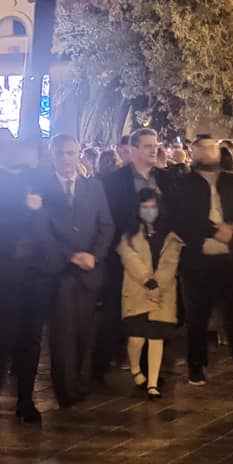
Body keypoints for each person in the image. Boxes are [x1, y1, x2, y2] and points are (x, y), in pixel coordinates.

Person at [0, 140, 62, 423]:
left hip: (37, 268)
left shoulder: (41, 178)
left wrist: (40, 207)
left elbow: (59, 211)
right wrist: (26, 209)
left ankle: (26, 398)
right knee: (5, 334)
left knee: (32, 336)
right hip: (5, 267)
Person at [174, 136, 233, 387]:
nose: (207, 153)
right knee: (198, 315)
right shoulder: (185, 184)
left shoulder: (231, 181)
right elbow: (183, 218)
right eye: (201, 149)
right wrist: (214, 230)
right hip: (198, 259)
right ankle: (196, 367)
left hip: (230, 258)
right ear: (193, 153)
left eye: (211, 148)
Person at [96, 128, 175, 380]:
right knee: (117, 309)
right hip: (124, 253)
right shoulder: (114, 181)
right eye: (147, 146)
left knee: (154, 306)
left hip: (156, 253)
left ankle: (151, 367)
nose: (154, 150)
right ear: (133, 150)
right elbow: (109, 217)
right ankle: (106, 362)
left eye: (155, 145)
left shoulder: (166, 179)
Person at [47, 135, 114, 408]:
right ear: (53, 156)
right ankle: (65, 388)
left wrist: (94, 256)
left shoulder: (94, 187)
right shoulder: (43, 188)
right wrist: (69, 255)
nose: (66, 159)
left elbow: (106, 225)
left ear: (79, 156)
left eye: (71, 153)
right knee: (63, 332)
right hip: (59, 271)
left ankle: (81, 381)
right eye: (61, 153)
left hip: (89, 271)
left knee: (84, 330)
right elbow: (40, 230)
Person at [119, 189, 181, 400]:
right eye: (144, 207)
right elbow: (130, 259)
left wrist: (158, 285)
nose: (149, 211)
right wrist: (148, 281)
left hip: (162, 294)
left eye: (152, 207)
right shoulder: (129, 235)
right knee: (136, 339)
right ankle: (136, 369)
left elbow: (170, 262)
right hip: (137, 291)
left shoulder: (170, 235)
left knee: (156, 338)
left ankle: (153, 383)